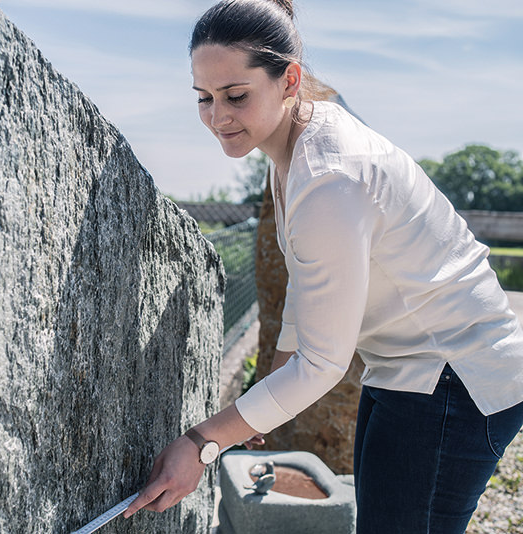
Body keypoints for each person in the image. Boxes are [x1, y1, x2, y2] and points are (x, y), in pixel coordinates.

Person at [122, 1, 523, 532]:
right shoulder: (292, 146)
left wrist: (201, 444)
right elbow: (309, 286)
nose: (217, 116)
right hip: (407, 368)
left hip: (456, 376)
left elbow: (322, 365)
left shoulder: (330, 174)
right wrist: (267, 391)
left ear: (290, 80)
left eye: (236, 96)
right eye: (204, 97)